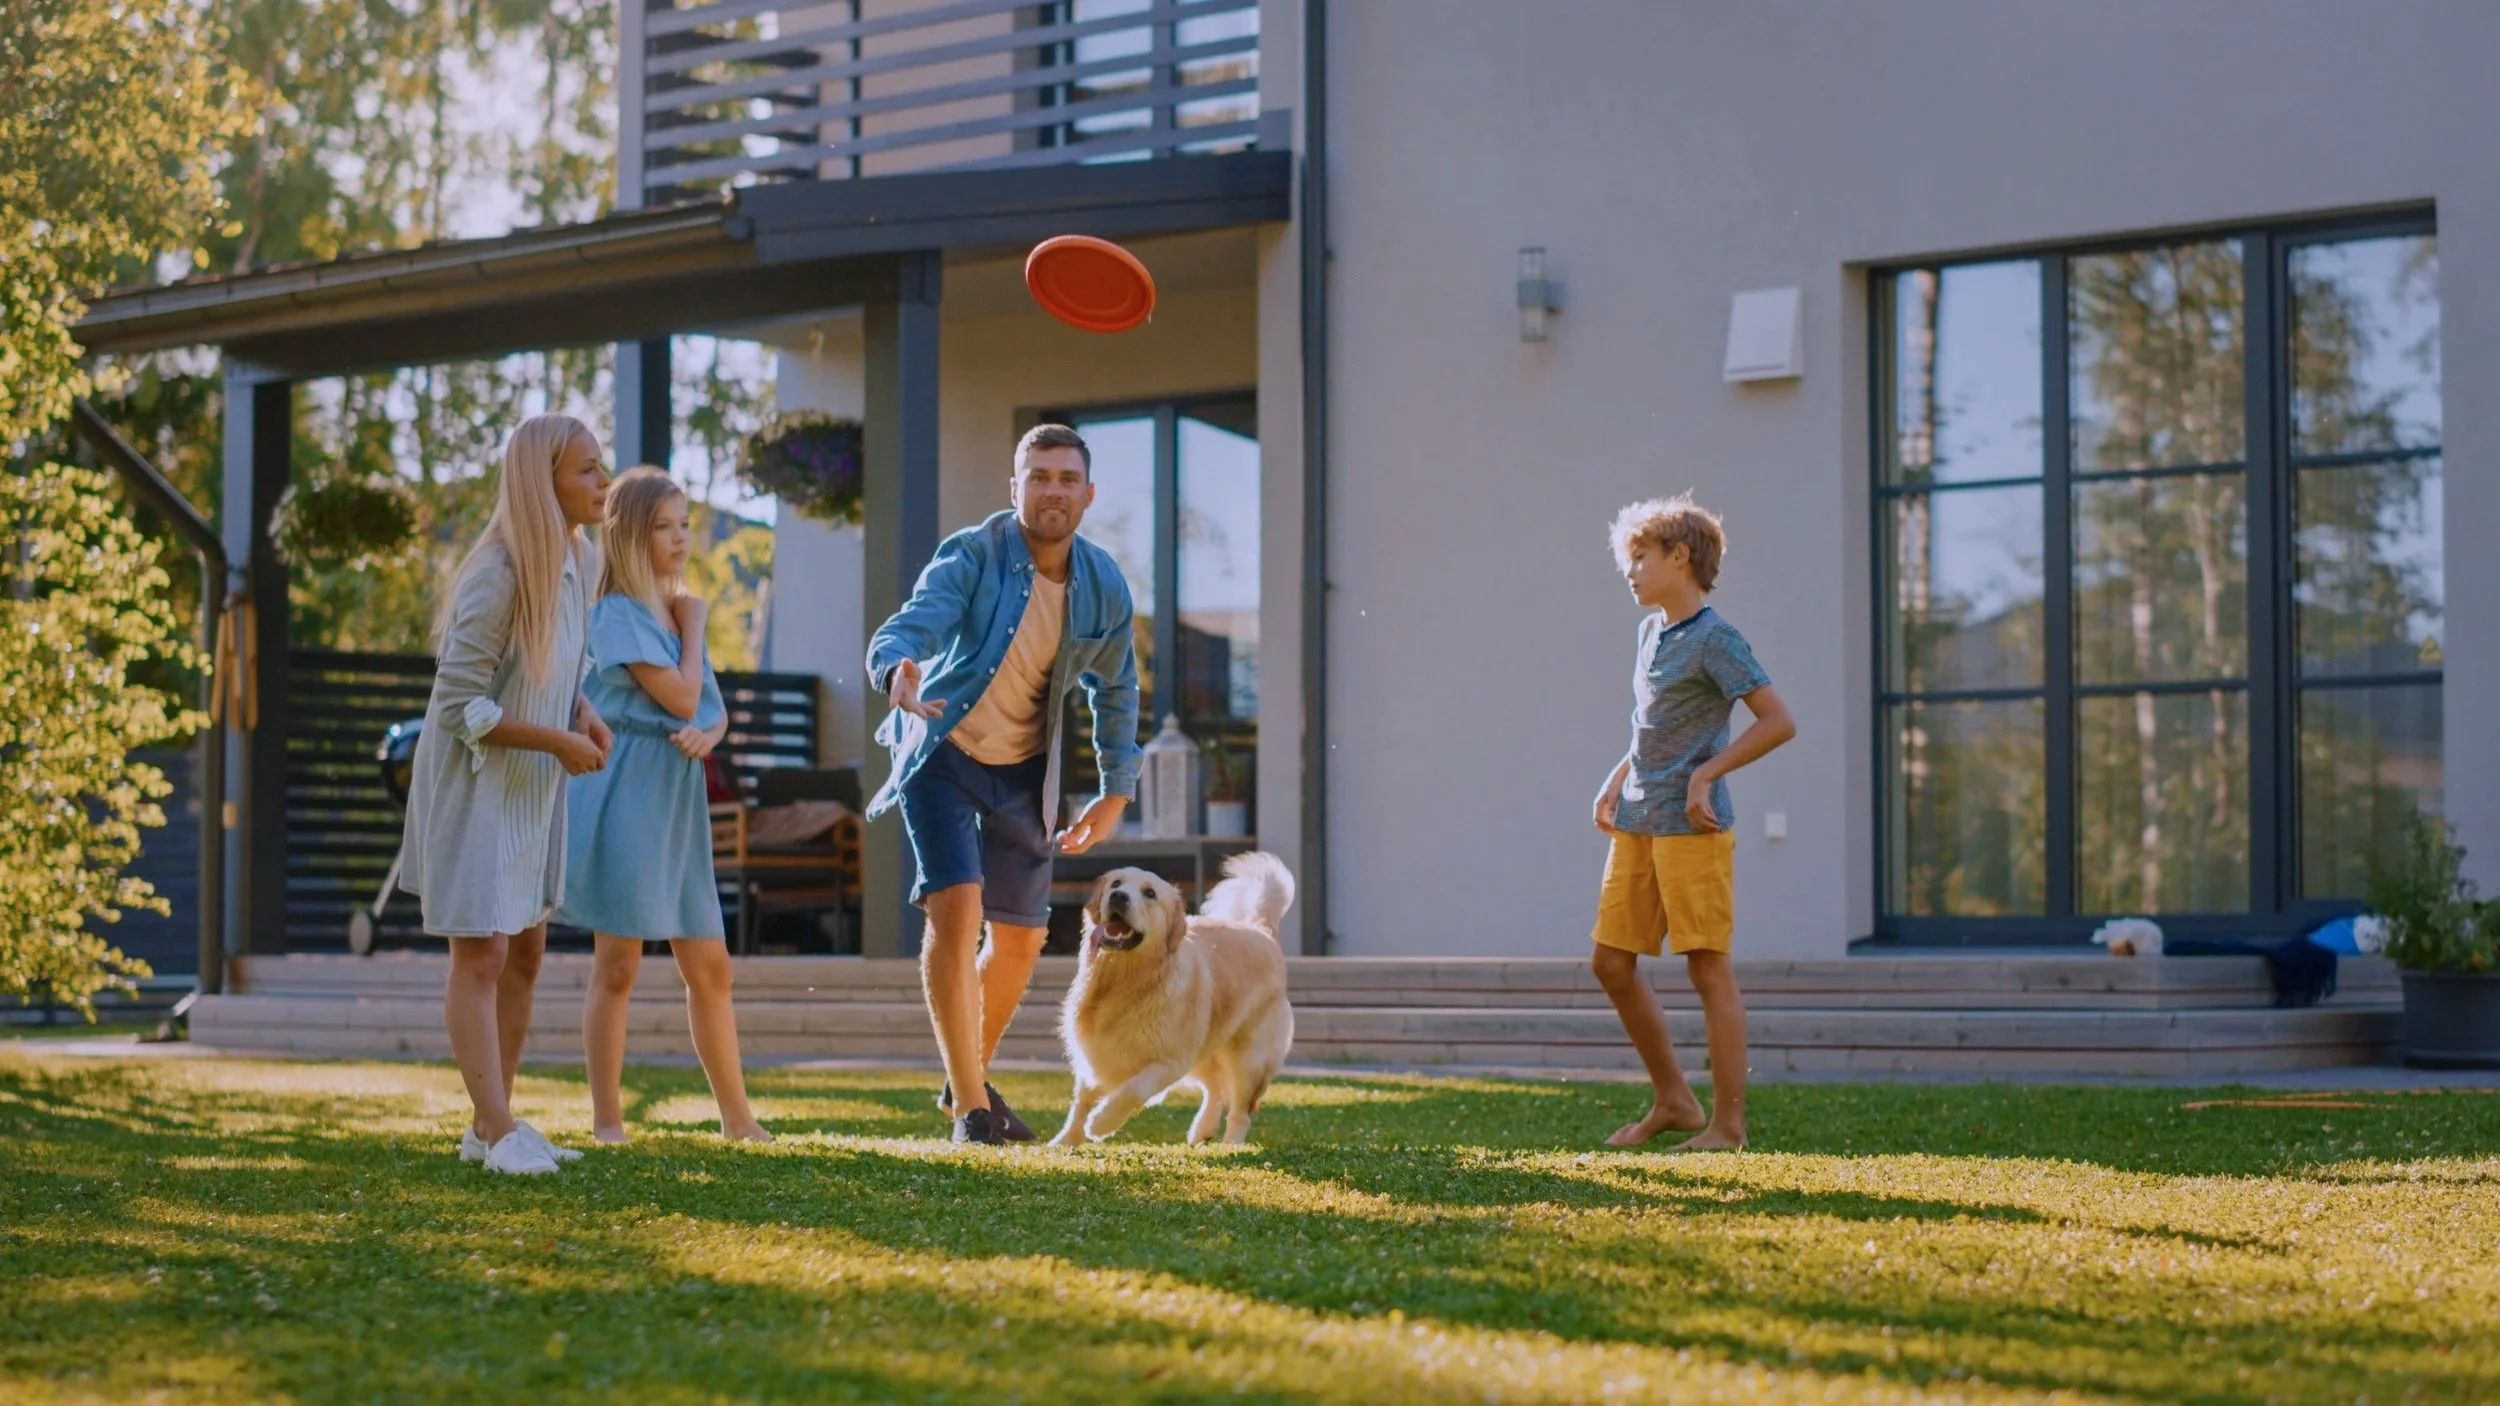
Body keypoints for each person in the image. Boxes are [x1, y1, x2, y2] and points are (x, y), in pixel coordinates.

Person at [866, 423, 1141, 1144]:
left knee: (1021, 940)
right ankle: (971, 1110)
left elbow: (1116, 689)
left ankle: (965, 1077)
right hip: (944, 751)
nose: (1053, 490)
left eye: (1066, 479)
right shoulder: (974, 554)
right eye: (1039, 476)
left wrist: (1115, 790)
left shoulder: (1104, 584)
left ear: (1088, 495)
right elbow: (911, 626)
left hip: (1026, 771)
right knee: (957, 912)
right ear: (1015, 487)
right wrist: (896, 668)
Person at [400, 413, 613, 1175]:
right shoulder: (498, 572)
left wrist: (581, 712)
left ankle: (494, 1123)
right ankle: (496, 1132)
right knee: (482, 953)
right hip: (475, 784)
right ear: (542, 481)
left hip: (527, 786)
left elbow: (555, 667)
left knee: (525, 949)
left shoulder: (578, 560)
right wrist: (556, 741)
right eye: (587, 469)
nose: (604, 481)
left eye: (601, 465)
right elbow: (460, 705)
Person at [562, 466, 771, 1146]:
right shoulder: (616, 615)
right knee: (618, 964)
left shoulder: (671, 613)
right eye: (663, 527)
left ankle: (739, 1120)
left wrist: (709, 735)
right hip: (627, 791)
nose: (680, 539)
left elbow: (709, 713)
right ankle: (607, 1123)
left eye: (685, 525)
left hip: (680, 799)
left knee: (710, 966)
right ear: (629, 534)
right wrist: (697, 623)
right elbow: (681, 697)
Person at [1588, 493, 1794, 1151]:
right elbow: (1651, 726)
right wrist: (1617, 777)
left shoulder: (1716, 639)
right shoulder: (1649, 633)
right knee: (1610, 963)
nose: (1630, 571)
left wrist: (1707, 774)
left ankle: (1727, 1126)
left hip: (1692, 828)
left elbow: (1778, 721)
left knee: (1707, 968)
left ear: (1680, 556)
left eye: (1639, 557)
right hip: (1638, 821)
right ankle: (1674, 1100)